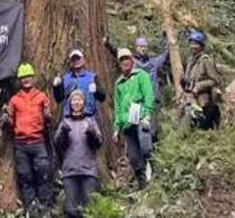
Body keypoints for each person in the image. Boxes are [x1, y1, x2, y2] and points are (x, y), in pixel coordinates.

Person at [2, 62, 53, 218]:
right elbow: (11, 121)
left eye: (28, 76)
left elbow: (48, 117)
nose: (26, 80)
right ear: (20, 80)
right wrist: (6, 119)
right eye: (23, 77)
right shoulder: (15, 100)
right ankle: (30, 206)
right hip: (21, 144)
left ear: (33, 77)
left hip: (38, 141)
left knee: (43, 172)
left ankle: (44, 205)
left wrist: (47, 115)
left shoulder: (41, 96)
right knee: (25, 175)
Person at [54, 88, 102, 218]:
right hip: (70, 171)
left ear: (83, 102)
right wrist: (62, 132)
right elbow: (58, 145)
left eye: (79, 99)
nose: (76, 102)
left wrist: (92, 133)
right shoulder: (65, 122)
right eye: (74, 100)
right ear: (70, 103)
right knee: (71, 208)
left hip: (88, 171)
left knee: (89, 208)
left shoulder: (90, 121)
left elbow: (99, 143)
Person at [112, 47, 155, 189]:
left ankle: (152, 171)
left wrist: (147, 112)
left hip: (141, 117)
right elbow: (117, 107)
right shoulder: (119, 83)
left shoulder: (141, 75)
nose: (125, 62)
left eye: (127, 59)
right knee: (134, 157)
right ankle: (143, 185)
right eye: (122, 60)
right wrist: (116, 128)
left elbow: (148, 94)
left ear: (131, 60)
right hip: (126, 123)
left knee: (145, 147)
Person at [105, 34, 169, 103]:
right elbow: (118, 52)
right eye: (141, 46)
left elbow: (165, 54)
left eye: (145, 47)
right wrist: (108, 44)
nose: (143, 49)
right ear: (136, 48)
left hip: (152, 100)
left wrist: (166, 38)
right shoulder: (132, 61)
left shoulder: (153, 63)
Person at [180, 29, 221, 131]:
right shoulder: (190, 60)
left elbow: (214, 80)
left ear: (201, 46)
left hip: (202, 97)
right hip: (189, 96)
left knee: (197, 121)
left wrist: (198, 87)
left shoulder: (206, 60)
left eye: (196, 44)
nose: (193, 46)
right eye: (192, 44)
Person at [52, 48, 106, 117]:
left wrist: (97, 90)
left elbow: (102, 97)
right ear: (71, 62)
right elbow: (59, 99)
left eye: (78, 58)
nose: (76, 61)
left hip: (88, 117)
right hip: (69, 119)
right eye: (74, 59)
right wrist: (56, 87)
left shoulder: (92, 77)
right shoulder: (65, 78)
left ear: (83, 60)